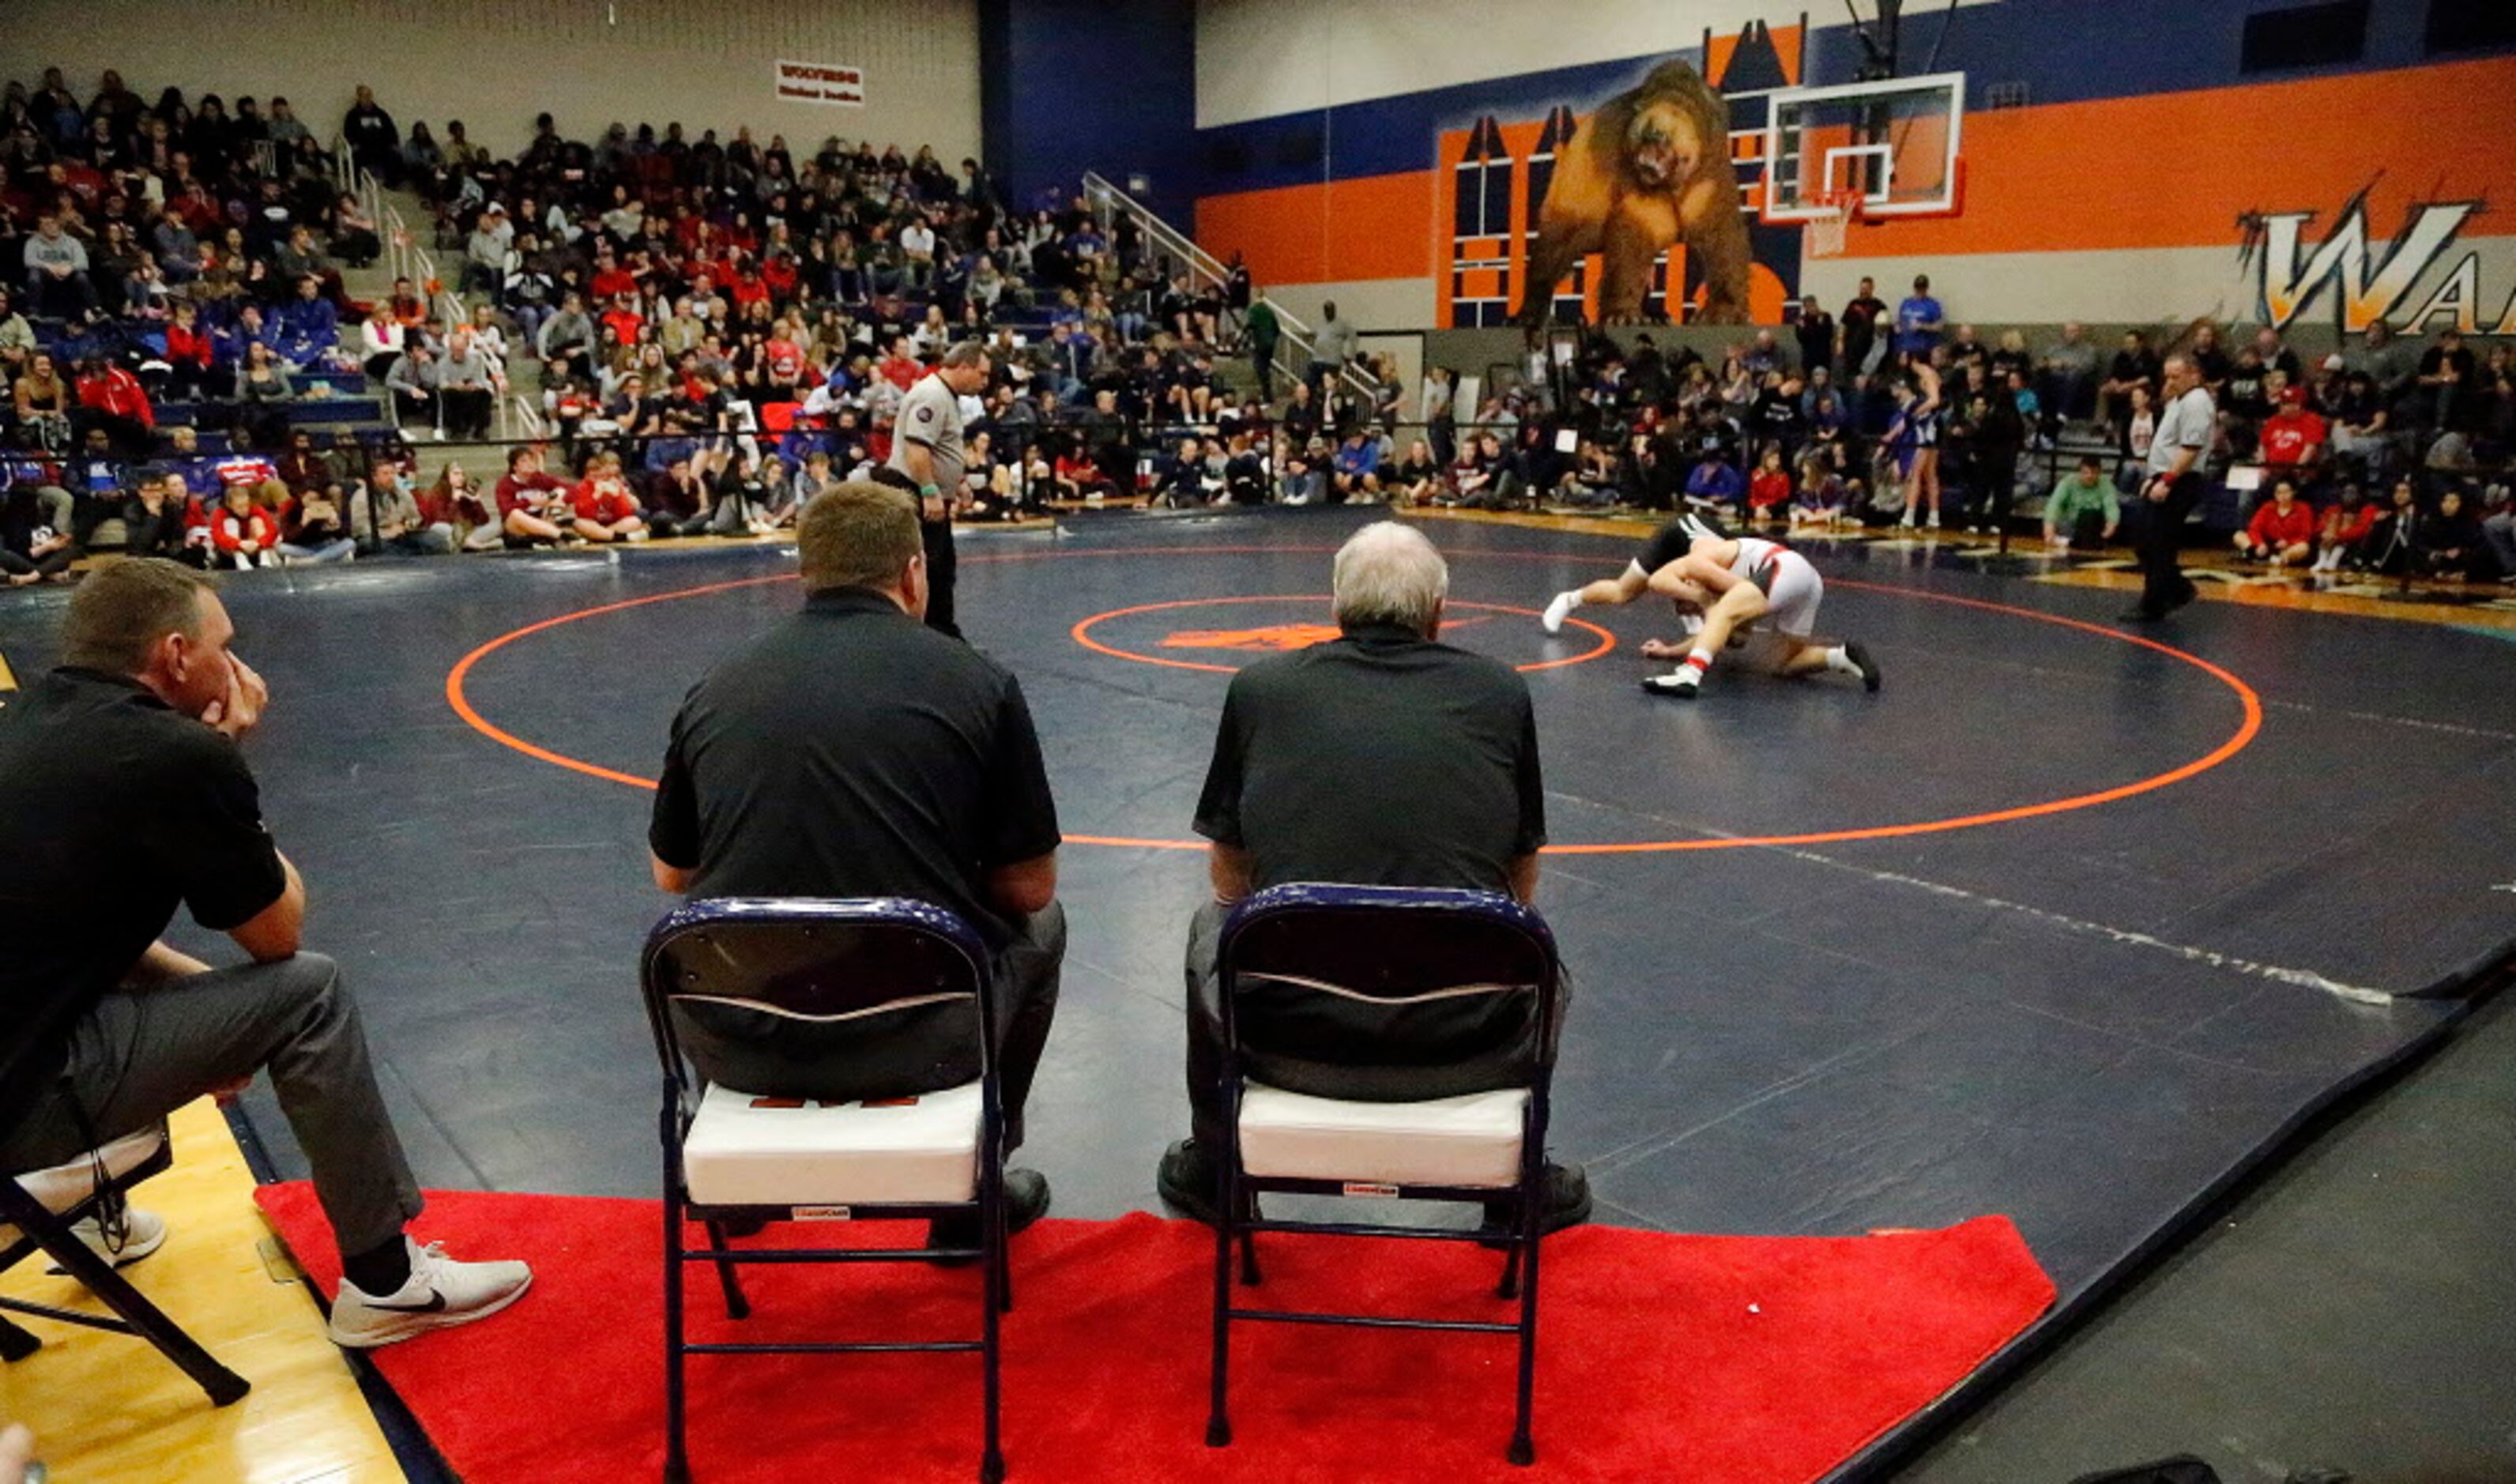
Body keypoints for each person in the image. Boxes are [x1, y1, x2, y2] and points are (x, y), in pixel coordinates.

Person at [0, 560, 530, 1347]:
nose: (238, 668)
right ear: (177, 655)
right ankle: (386, 1283)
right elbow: (277, 935)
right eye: (225, 647)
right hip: (25, 1097)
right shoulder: (170, 754)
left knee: (102, 977)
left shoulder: (24, 722)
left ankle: (85, 1195)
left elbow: (77, 927)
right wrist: (228, 766)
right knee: (310, 992)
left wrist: (220, 1017)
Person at [648, 484, 1065, 1246]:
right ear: (913, 574)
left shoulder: (716, 685)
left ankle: (738, 1189)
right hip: (919, 1031)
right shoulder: (976, 681)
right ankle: (973, 1194)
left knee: (710, 920)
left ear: (804, 572)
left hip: (741, 1035)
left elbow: (674, 876)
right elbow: (1029, 887)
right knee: (1046, 926)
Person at [1158, 522, 1588, 1237]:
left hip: (1291, 1028)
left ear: (1335, 609)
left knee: (1213, 923)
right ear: (1437, 613)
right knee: (1535, 946)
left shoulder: (1261, 689)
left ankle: (1218, 1166)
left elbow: (1230, 874)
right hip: (1464, 1035)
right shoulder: (1500, 693)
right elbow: (1520, 878)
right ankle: (1516, 1178)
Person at [1540, 514, 1881, 699]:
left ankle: (1689, 677)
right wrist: (1671, 650)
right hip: (1807, 579)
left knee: (1725, 615)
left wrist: (1711, 606)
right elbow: (1664, 584)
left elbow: (1669, 585)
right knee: (1786, 663)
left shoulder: (1702, 564)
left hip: (1783, 568)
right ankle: (1840, 656)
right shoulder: (1708, 575)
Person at [884, 341, 991, 638]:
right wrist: (930, 491)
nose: (985, 383)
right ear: (964, 367)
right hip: (916, 492)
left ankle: (940, 634)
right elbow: (917, 447)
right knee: (930, 570)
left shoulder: (944, 395)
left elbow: (940, 448)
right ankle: (933, 636)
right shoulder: (932, 396)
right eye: (982, 375)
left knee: (941, 569)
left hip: (927, 493)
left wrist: (957, 483)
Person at [2124, 355, 2214, 622]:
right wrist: (2154, 478)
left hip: (2179, 479)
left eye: (2176, 376)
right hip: (2164, 475)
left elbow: (2191, 448)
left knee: (2157, 542)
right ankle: (2175, 589)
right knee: (2146, 539)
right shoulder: (2180, 400)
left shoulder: (2197, 402)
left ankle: (2155, 601)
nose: (2170, 382)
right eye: (2167, 376)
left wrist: (2168, 481)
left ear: (2194, 375)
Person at [2043, 454, 2121, 552]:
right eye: (2086, 473)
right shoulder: (2068, 482)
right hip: (2071, 524)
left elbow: (2111, 506)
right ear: (2080, 472)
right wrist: (2049, 526)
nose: (2089, 476)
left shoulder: (2106, 485)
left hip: (2093, 524)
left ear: (2099, 473)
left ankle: (2076, 542)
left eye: (2094, 473)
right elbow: (2055, 503)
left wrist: (2111, 525)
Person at [2234, 476, 2317, 567]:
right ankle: (2254, 555)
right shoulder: (2268, 507)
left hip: (2288, 546)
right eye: (2279, 493)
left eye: (2286, 492)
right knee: (2239, 535)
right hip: (2267, 544)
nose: (2283, 496)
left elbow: (2306, 534)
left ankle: (2281, 559)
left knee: (2304, 547)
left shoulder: (2304, 509)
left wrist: (2289, 542)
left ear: (2294, 492)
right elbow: (2254, 528)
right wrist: (2260, 543)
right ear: (2275, 494)